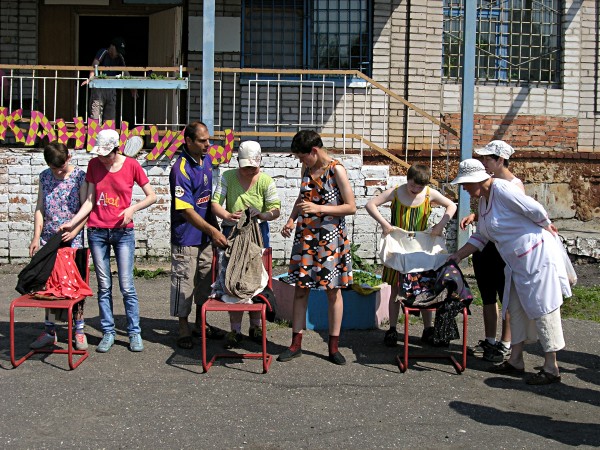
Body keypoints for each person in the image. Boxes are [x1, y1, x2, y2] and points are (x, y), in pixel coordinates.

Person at [450, 159, 570, 385]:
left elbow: (533, 208)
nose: (464, 189)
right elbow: (482, 236)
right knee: (513, 306)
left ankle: (551, 366)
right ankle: (515, 360)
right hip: (515, 262)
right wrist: (458, 255)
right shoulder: (483, 202)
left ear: (476, 180)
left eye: (465, 184)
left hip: (535, 256)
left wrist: (546, 224)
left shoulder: (502, 188)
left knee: (542, 307)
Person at [61, 129, 156, 353]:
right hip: (97, 232)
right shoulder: (94, 165)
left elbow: (152, 196)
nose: (102, 158)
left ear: (116, 149)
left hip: (123, 233)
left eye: (106, 154)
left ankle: (134, 333)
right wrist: (73, 223)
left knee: (127, 286)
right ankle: (108, 332)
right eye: (100, 154)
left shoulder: (132, 165)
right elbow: (90, 201)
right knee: (104, 286)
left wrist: (132, 208)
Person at [277, 130, 356, 365]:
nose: (300, 162)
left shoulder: (336, 169)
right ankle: (296, 344)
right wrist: (292, 219)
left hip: (330, 239)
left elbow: (351, 207)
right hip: (306, 236)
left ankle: (333, 347)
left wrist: (320, 209)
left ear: (314, 151)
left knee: (333, 291)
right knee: (301, 289)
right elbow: (302, 199)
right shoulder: (307, 169)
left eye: (302, 157)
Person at [365, 164, 457, 347]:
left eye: (419, 187)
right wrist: (384, 224)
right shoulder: (397, 192)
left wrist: (440, 226)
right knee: (394, 289)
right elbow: (370, 204)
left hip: (420, 248)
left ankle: (428, 329)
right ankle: (392, 329)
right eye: (413, 185)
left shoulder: (429, 194)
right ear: (407, 180)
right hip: (398, 247)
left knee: (425, 289)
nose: (415, 190)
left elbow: (451, 205)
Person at [211, 140, 281, 348]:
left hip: (258, 235)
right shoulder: (228, 177)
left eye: (253, 166)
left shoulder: (266, 181)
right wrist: (227, 215)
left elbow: (276, 209)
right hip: (231, 233)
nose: (249, 170)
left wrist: (262, 215)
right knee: (233, 281)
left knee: (257, 281)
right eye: (246, 166)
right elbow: (215, 203)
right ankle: (235, 330)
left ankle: (256, 326)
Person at [460, 140, 524, 362]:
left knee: (506, 298)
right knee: (488, 297)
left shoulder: (512, 186)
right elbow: (492, 218)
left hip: (503, 252)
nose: (484, 162)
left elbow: (513, 218)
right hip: (483, 247)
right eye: (484, 159)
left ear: (500, 160)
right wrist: (476, 217)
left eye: (488, 159)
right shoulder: (486, 189)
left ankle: (505, 344)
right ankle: (490, 340)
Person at [169, 121, 228, 350]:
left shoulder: (207, 161)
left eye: (208, 139)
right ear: (189, 141)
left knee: (205, 283)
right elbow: (186, 210)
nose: (208, 144)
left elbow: (207, 200)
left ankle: (200, 324)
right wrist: (213, 230)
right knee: (183, 283)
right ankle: (183, 328)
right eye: (202, 141)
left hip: (205, 237)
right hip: (186, 237)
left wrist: (215, 229)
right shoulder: (180, 169)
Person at [28, 142, 89, 351]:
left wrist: (75, 230)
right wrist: (36, 237)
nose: (59, 172)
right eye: (55, 168)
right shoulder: (45, 177)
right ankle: (49, 331)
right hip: (49, 239)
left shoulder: (80, 176)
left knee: (74, 285)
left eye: (62, 167)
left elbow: (85, 208)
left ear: (69, 158)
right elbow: (40, 208)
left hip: (73, 239)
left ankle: (79, 330)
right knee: (49, 286)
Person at [80, 37, 136, 122]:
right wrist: (91, 78)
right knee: (95, 115)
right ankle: (95, 134)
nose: (117, 53)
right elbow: (95, 64)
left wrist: (132, 87)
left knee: (110, 118)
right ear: (112, 47)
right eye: (117, 50)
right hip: (99, 89)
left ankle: (108, 134)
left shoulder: (119, 57)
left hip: (111, 89)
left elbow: (125, 71)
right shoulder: (103, 52)